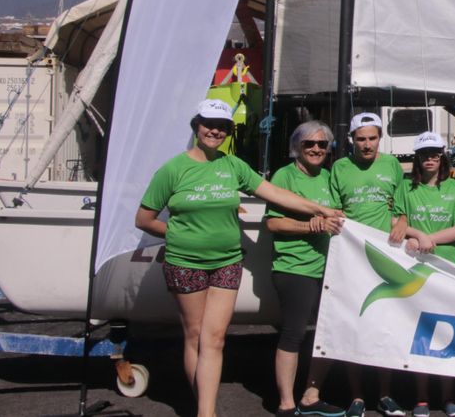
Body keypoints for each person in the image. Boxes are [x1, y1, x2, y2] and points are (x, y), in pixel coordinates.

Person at [134, 99, 343, 417]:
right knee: (194, 335)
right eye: (208, 124)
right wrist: (177, 234)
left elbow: (276, 194)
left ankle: (207, 412)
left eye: (222, 127)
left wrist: (322, 209)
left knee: (215, 338)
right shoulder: (173, 169)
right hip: (185, 262)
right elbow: (144, 219)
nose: (214, 131)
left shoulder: (233, 166)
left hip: (227, 261)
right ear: (196, 126)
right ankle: (203, 407)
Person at [330, 112, 408, 417]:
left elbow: (403, 204)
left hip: (385, 257)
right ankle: (358, 396)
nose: (366, 145)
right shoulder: (339, 167)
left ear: (380, 138)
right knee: (354, 326)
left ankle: (386, 394)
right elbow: (336, 210)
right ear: (351, 140)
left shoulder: (391, 165)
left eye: (372, 138)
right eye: (360, 139)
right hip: (351, 256)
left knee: (383, 327)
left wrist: (402, 219)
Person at [266, 121, 345, 417]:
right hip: (294, 267)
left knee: (328, 334)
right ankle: (286, 403)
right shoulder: (284, 176)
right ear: (297, 147)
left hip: (331, 268)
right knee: (294, 333)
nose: (315, 149)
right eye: (309, 144)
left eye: (322, 145)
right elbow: (273, 223)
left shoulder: (329, 177)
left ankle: (311, 396)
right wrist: (310, 226)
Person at [404, 131, 455, 417]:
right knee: (420, 337)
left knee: (446, 334)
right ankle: (421, 399)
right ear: (416, 158)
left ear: (442, 156)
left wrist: (427, 237)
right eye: (424, 154)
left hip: (449, 269)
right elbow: (398, 221)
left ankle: (447, 397)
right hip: (416, 270)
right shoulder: (405, 189)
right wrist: (414, 234)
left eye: (434, 153)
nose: (430, 159)